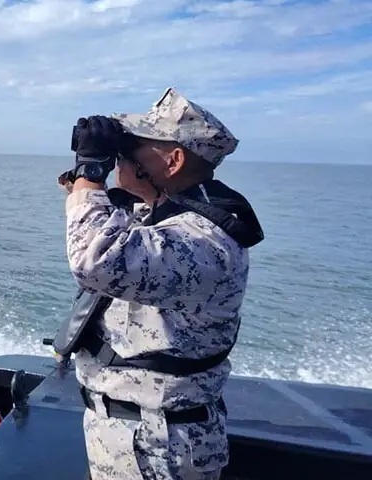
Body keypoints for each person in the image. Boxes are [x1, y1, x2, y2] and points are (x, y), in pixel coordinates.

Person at [53, 87, 265, 480]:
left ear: (174, 159)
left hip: (158, 449)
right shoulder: (166, 216)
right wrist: (92, 180)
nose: (123, 154)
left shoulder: (204, 239)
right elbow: (111, 219)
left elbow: (94, 259)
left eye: (134, 145)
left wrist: (91, 172)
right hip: (134, 436)